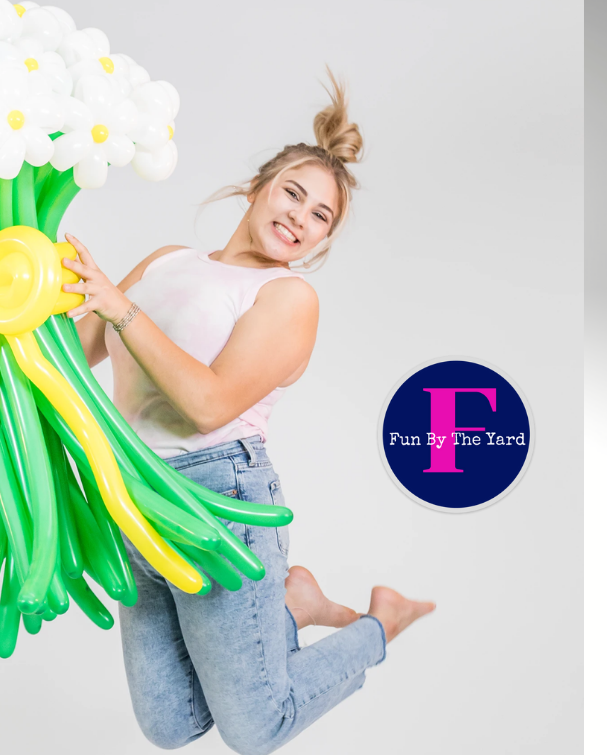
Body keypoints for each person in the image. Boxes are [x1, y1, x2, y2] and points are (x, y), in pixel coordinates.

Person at [57, 68, 436, 755]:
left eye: (320, 216)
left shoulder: (287, 298)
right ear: (257, 186)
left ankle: (380, 624)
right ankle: (293, 606)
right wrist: (34, 288)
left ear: (323, 241)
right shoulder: (168, 261)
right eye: (293, 192)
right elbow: (75, 357)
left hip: (217, 499)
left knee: (256, 727)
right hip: (131, 495)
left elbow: (207, 404)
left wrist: (120, 305)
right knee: (170, 727)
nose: (299, 217)